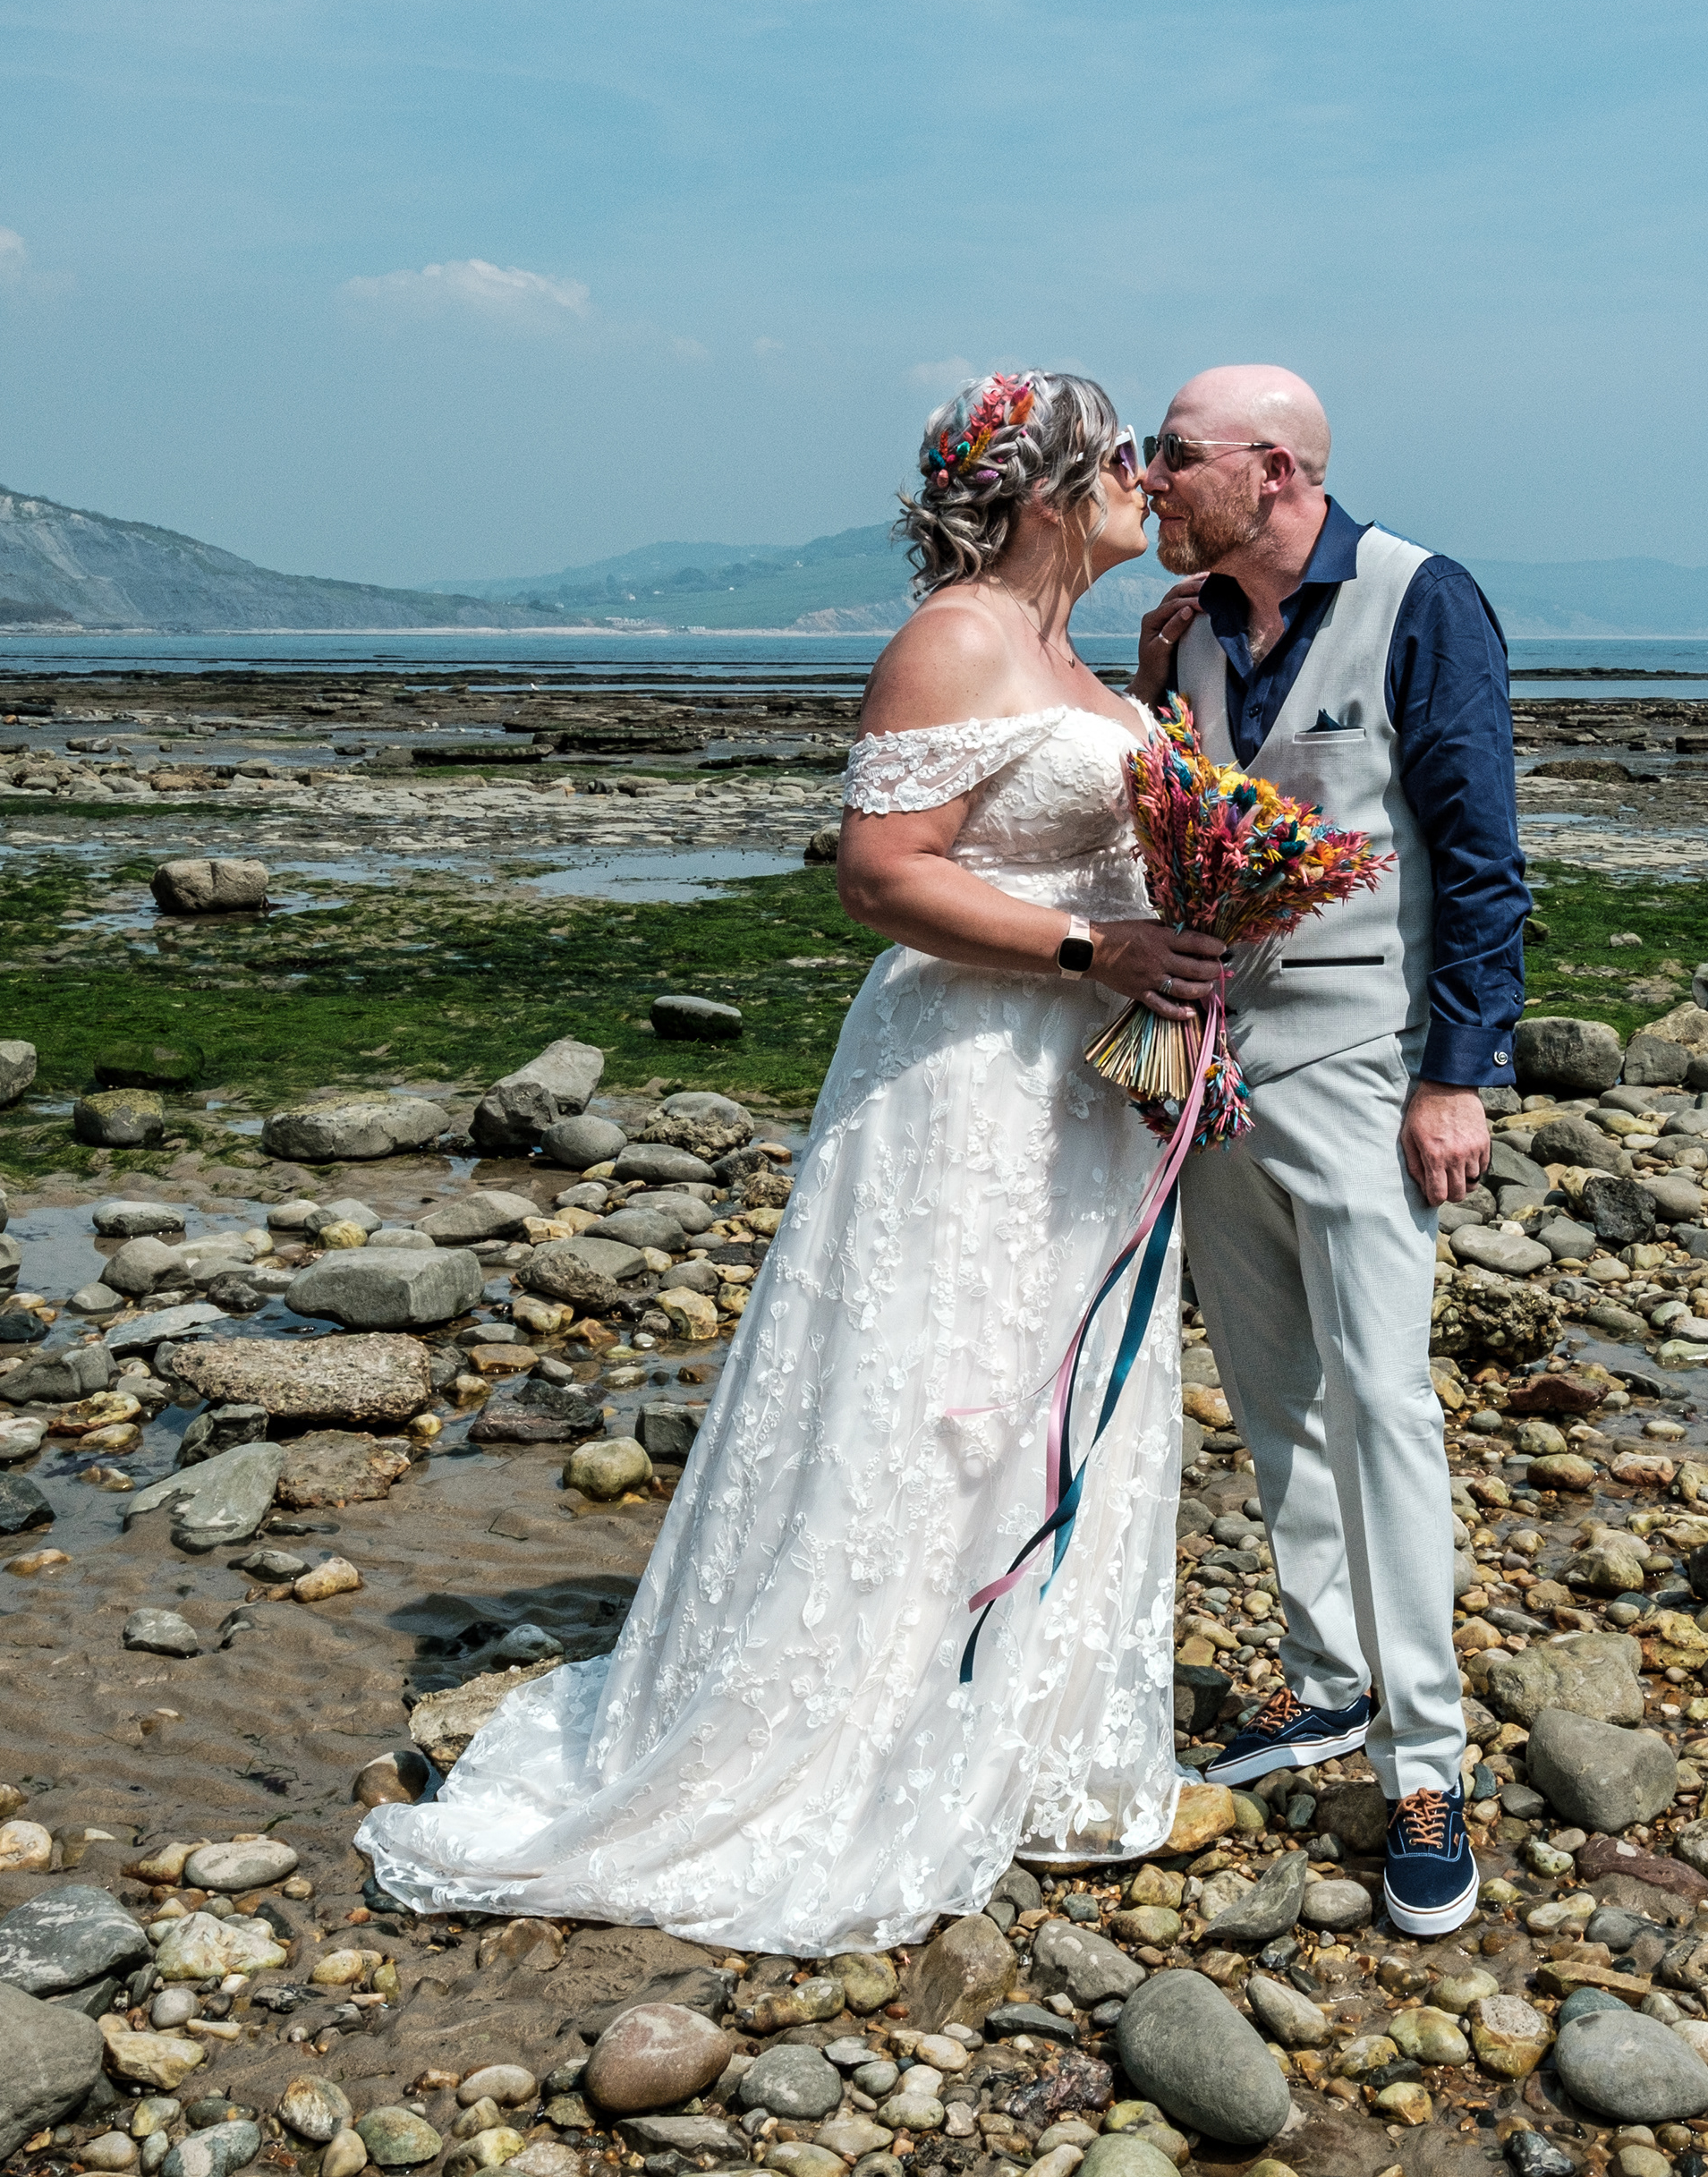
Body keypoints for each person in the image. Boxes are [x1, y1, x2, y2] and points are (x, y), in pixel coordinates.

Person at [358, 371, 1227, 1954]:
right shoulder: (954, 638)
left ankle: (1015, 1729)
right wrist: (1101, 945)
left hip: (1081, 1089)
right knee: (930, 1384)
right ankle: (853, 1736)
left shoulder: (1086, 658)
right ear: (1042, 491)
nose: (1145, 481)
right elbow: (881, 878)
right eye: (1118, 460)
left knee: (1043, 1380)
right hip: (967, 1076)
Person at [1132, 364, 1529, 1936]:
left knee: (1384, 1405)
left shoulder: (1423, 602)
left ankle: (1429, 1762)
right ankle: (1325, 1685)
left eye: (1176, 458)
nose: (1153, 481)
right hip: (1221, 1068)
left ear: (1274, 467)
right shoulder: (1195, 633)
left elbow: (1483, 858)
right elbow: (1183, 838)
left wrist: (1458, 1075)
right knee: (1270, 1392)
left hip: (1372, 1070)